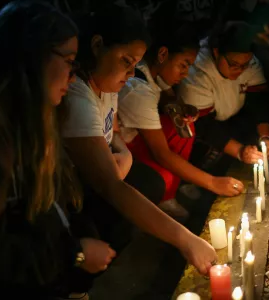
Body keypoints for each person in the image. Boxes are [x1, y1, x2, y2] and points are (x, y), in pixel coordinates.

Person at [0, 1, 115, 299]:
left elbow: (52, 199)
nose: (73, 77)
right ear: (33, 56)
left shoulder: (32, 118)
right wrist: (74, 255)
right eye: (69, 61)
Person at [62, 5, 217, 275]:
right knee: (126, 201)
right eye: (126, 61)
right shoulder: (77, 96)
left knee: (150, 184)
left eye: (135, 64)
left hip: (108, 168)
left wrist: (124, 156)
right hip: (72, 191)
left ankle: (104, 254)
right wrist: (186, 240)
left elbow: (115, 131)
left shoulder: (106, 84)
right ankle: (78, 276)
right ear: (98, 45)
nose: (132, 73)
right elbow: (110, 183)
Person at [117, 20, 244, 219]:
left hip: (138, 137)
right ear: (163, 55)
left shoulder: (151, 71)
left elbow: (170, 98)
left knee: (184, 124)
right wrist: (213, 182)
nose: (185, 74)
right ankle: (166, 197)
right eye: (183, 65)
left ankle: (177, 184)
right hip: (125, 146)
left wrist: (184, 108)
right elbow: (162, 154)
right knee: (164, 175)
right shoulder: (139, 91)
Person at [178, 21, 269, 166]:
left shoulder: (249, 63)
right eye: (234, 64)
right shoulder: (198, 73)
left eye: (245, 64)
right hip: (202, 127)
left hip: (234, 117)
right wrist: (240, 151)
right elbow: (205, 126)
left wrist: (266, 137)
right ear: (217, 52)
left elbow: (258, 103)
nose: (240, 70)